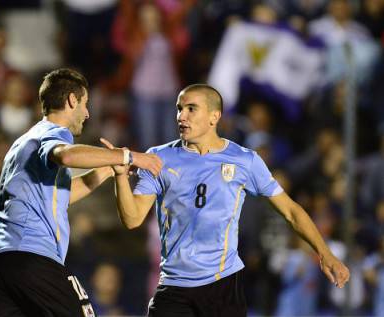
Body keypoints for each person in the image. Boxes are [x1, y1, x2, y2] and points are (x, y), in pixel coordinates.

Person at [102, 84, 350, 317]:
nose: (181, 116)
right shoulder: (157, 158)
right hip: (174, 286)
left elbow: (291, 211)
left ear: (214, 117)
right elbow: (133, 219)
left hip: (222, 286)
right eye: (179, 108)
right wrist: (121, 178)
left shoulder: (245, 160)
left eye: (191, 109)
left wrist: (324, 253)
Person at [0, 68, 162, 317]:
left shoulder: (22, 142)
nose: (87, 113)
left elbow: (59, 195)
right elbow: (67, 155)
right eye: (85, 104)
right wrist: (130, 156)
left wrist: (109, 168)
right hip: (32, 259)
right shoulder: (55, 133)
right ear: (72, 100)